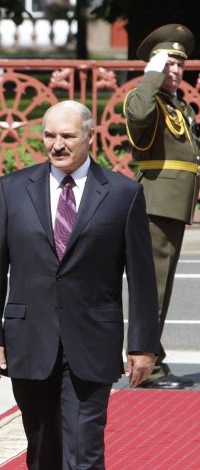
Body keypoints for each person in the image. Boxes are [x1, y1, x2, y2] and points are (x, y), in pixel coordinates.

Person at [0, 101, 160, 468]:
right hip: (29, 341)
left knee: (84, 450)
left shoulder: (122, 194)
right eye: (49, 135)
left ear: (90, 137)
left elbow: (142, 277)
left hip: (92, 342)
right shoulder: (13, 189)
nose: (57, 145)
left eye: (67, 136)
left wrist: (143, 345)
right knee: (42, 450)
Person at [124, 23, 199, 389]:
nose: (175, 70)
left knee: (162, 287)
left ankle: (154, 356)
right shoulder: (145, 99)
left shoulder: (177, 105)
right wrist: (150, 77)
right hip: (156, 202)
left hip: (173, 202)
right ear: (154, 66)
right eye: (168, 63)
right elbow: (138, 117)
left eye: (179, 64)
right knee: (152, 288)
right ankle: (145, 363)